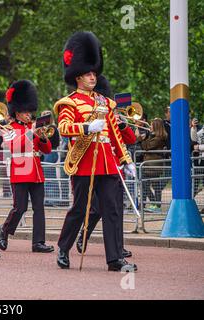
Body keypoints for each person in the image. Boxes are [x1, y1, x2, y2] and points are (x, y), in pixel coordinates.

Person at [53, 31, 137, 272]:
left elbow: (115, 135)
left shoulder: (105, 102)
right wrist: (87, 126)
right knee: (80, 209)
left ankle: (114, 258)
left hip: (107, 163)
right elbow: (64, 128)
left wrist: (126, 159)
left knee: (111, 209)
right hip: (84, 161)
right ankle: (63, 247)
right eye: (89, 74)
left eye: (94, 73)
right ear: (78, 77)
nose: (93, 77)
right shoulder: (70, 102)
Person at [75, 75, 136, 258]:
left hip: (114, 168)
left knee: (116, 210)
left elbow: (130, 140)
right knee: (96, 209)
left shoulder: (112, 115)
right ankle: (82, 236)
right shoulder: (92, 115)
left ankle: (118, 248)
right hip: (96, 165)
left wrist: (123, 125)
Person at [0, 80, 54, 253]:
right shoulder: (8, 128)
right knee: (20, 207)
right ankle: (5, 230)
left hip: (36, 170)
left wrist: (43, 137)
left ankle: (38, 242)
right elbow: (15, 146)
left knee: (39, 208)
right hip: (20, 171)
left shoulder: (33, 127)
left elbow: (47, 149)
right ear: (17, 112)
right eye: (24, 111)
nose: (28, 114)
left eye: (30, 111)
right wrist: (31, 131)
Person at [137, 118, 168, 212]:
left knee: (152, 186)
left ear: (156, 126)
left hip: (153, 164)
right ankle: (154, 204)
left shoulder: (158, 138)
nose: (150, 126)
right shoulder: (154, 136)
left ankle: (156, 205)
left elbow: (147, 147)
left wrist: (140, 138)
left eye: (151, 125)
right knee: (148, 185)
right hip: (150, 164)